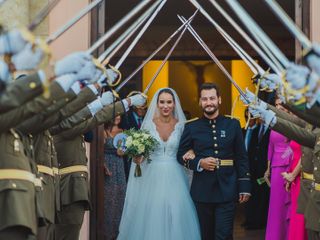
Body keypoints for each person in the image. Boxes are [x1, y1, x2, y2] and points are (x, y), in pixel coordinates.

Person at [118, 88, 201, 240]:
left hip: (176, 176)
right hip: (152, 177)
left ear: (174, 104)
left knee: (175, 213)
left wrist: (191, 152)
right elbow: (142, 154)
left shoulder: (182, 126)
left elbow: (188, 149)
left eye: (169, 102)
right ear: (156, 104)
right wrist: (137, 157)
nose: (165, 106)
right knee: (152, 214)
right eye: (162, 102)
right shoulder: (148, 125)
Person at [177, 82, 251, 240]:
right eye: (204, 99)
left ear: (219, 100)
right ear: (200, 102)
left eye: (212, 98)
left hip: (227, 188)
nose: (208, 102)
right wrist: (199, 162)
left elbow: (241, 156)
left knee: (223, 235)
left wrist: (244, 185)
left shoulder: (233, 124)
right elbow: (180, 155)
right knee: (206, 236)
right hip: (202, 191)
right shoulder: (192, 127)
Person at [243, 109, 270, 230]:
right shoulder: (257, 129)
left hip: (265, 169)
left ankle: (259, 221)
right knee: (253, 194)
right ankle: (252, 220)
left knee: (262, 196)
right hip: (254, 168)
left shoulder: (270, 129)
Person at [103, 116, 126, 240]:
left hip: (119, 167)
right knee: (108, 201)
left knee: (119, 198)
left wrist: (124, 149)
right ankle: (106, 234)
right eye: (115, 114)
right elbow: (98, 150)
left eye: (119, 114)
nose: (118, 117)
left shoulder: (122, 131)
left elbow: (122, 152)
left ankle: (116, 235)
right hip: (108, 167)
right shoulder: (103, 130)